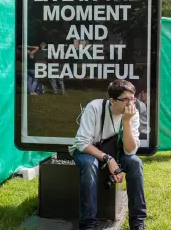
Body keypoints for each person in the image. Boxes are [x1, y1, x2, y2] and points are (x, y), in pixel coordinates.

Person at [69, 80, 147, 230]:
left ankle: (137, 222)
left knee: (135, 163)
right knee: (90, 164)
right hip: (88, 151)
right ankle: (88, 224)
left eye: (132, 99)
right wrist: (108, 159)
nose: (130, 103)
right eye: (125, 100)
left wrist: (126, 122)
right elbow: (82, 143)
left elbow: (130, 150)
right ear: (112, 101)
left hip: (116, 151)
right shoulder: (95, 107)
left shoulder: (132, 113)